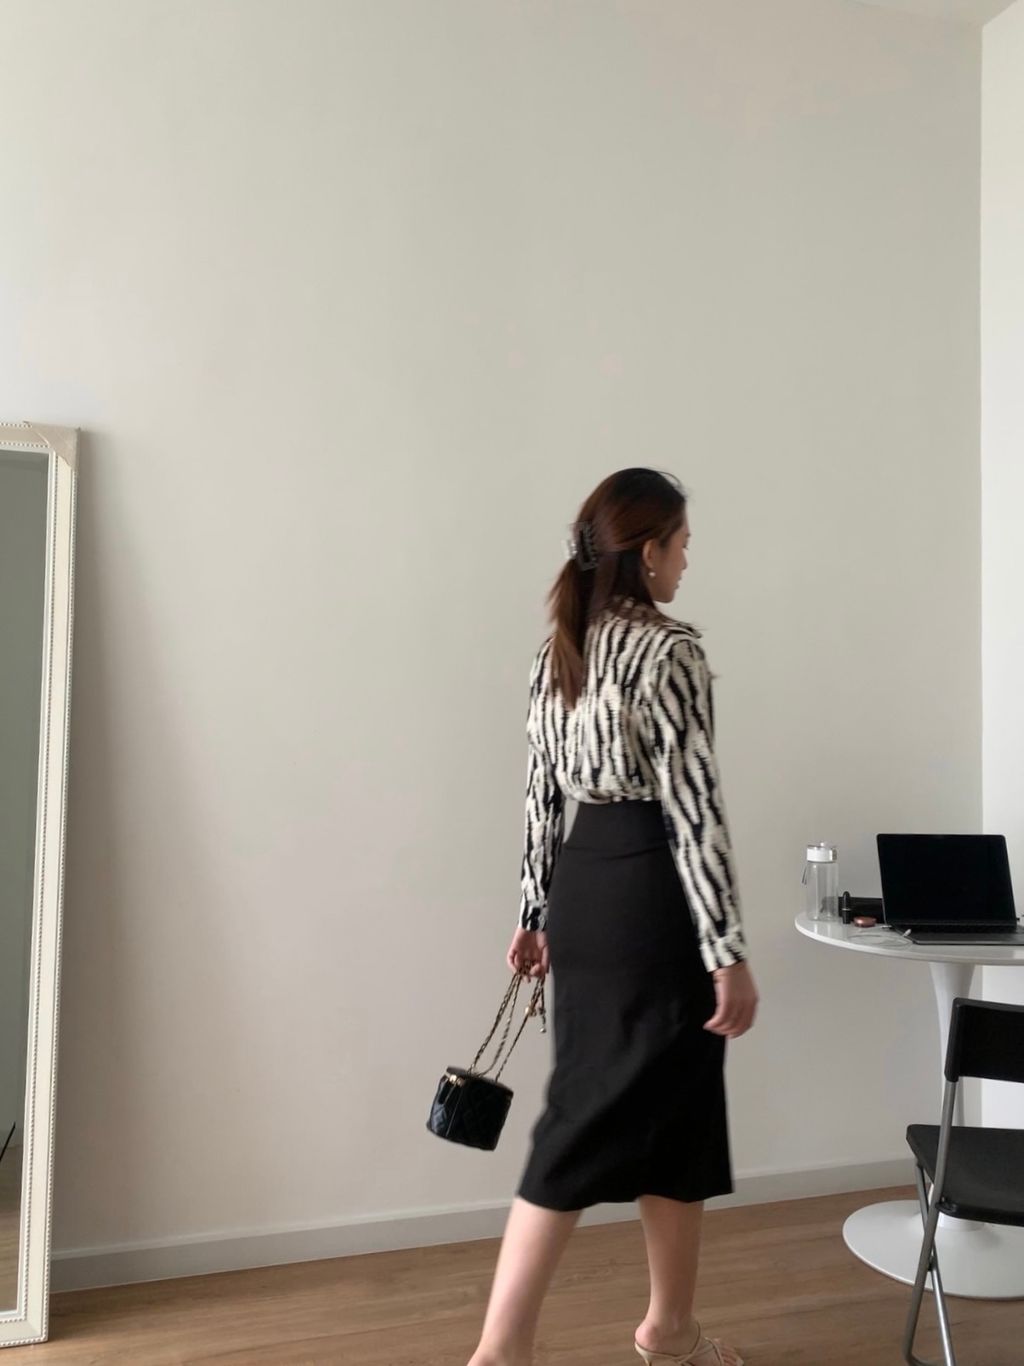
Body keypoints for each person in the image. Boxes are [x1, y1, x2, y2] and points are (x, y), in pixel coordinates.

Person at [467, 469, 759, 1366]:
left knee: (673, 1112)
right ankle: (500, 1349)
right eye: (682, 544)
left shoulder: (559, 648)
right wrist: (727, 949)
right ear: (648, 550)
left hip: (582, 893)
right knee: (586, 1119)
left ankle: (670, 1330)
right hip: (650, 900)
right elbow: (693, 811)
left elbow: (539, 798)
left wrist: (534, 910)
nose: (687, 561)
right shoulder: (669, 652)